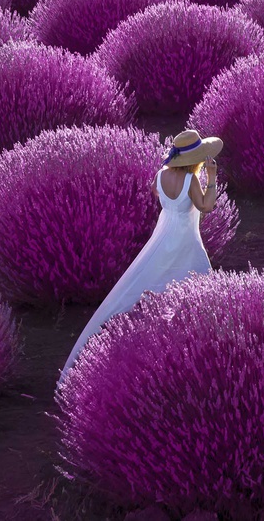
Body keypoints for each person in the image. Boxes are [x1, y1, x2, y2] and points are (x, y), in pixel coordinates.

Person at [57, 129, 223, 388]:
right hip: (184, 239)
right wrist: (211, 177)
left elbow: (156, 193)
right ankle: (197, 338)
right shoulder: (192, 180)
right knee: (198, 277)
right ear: (196, 159)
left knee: (154, 279)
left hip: (164, 234)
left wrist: (172, 206)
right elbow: (206, 205)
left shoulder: (160, 176)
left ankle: (166, 332)